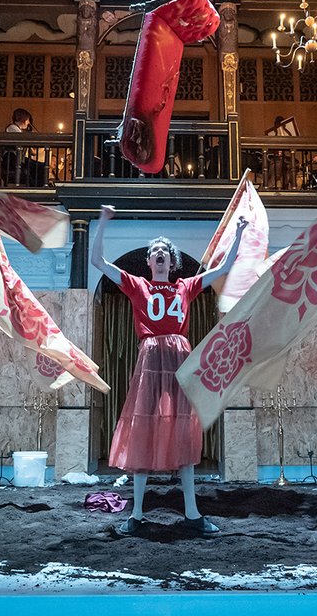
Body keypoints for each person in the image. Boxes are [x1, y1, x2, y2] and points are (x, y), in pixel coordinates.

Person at [91, 205, 248, 537]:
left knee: (183, 430)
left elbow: (224, 267)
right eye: (154, 252)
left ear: (172, 261)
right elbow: (98, 263)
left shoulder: (186, 286)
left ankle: (192, 513)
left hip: (178, 355)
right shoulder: (137, 285)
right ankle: (135, 515)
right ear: (149, 262)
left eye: (164, 251)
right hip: (151, 356)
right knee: (144, 429)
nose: (159, 254)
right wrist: (103, 223)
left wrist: (239, 233)